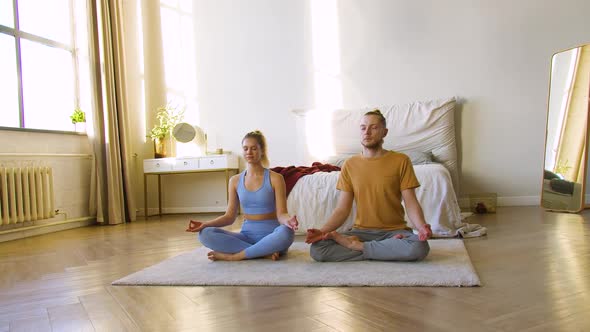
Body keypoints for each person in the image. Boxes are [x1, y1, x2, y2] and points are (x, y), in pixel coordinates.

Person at [305, 109, 432, 262]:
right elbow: (342, 209)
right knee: (318, 250)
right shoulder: (350, 165)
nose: (367, 132)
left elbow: (411, 203)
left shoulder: (401, 161)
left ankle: (358, 247)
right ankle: (383, 248)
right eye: (363, 128)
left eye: (374, 127)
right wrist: (322, 232)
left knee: (419, 247)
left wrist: (421, 226)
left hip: (394, 232)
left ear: (384, 132)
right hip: (361, 233)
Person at [186, 130, 298, 261]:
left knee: (286, 232)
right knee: (205, 234)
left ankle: (236, 256)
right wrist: (205, 224)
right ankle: (262, 251)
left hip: (272, 236)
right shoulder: (234, 181)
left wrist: (288, 221)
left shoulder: (276, 178)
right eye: (245, 148)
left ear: (262, 151)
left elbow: (281, 214)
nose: (249, 152)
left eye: (254, 148)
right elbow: (229, 217)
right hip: (246, 236)